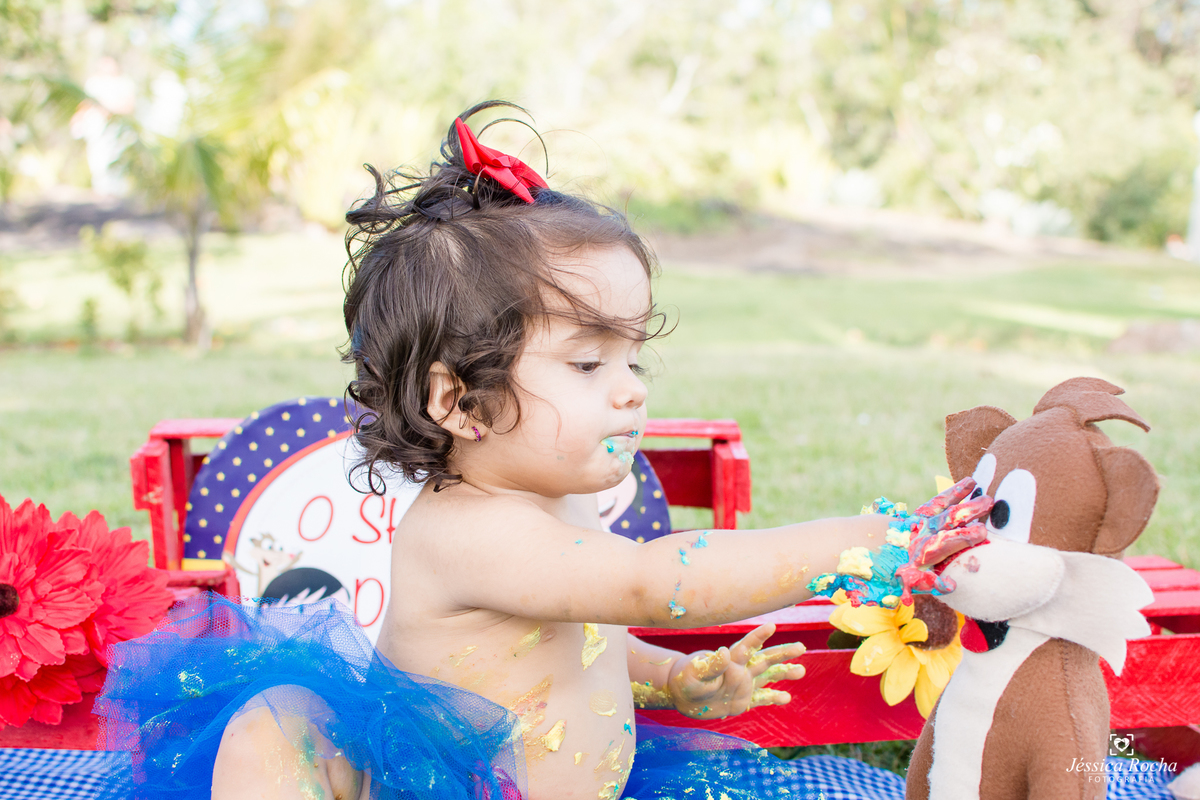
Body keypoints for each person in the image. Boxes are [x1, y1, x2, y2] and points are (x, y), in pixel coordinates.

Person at [96, 102, 979, 800]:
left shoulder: (556, 505)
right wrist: (866, 538)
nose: (632, 387)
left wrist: (673, 680)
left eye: (634, 356)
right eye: (590, 361)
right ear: (459, 400)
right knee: (279, 727)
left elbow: (582, 636)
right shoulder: (470, 531)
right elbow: (655, 584)